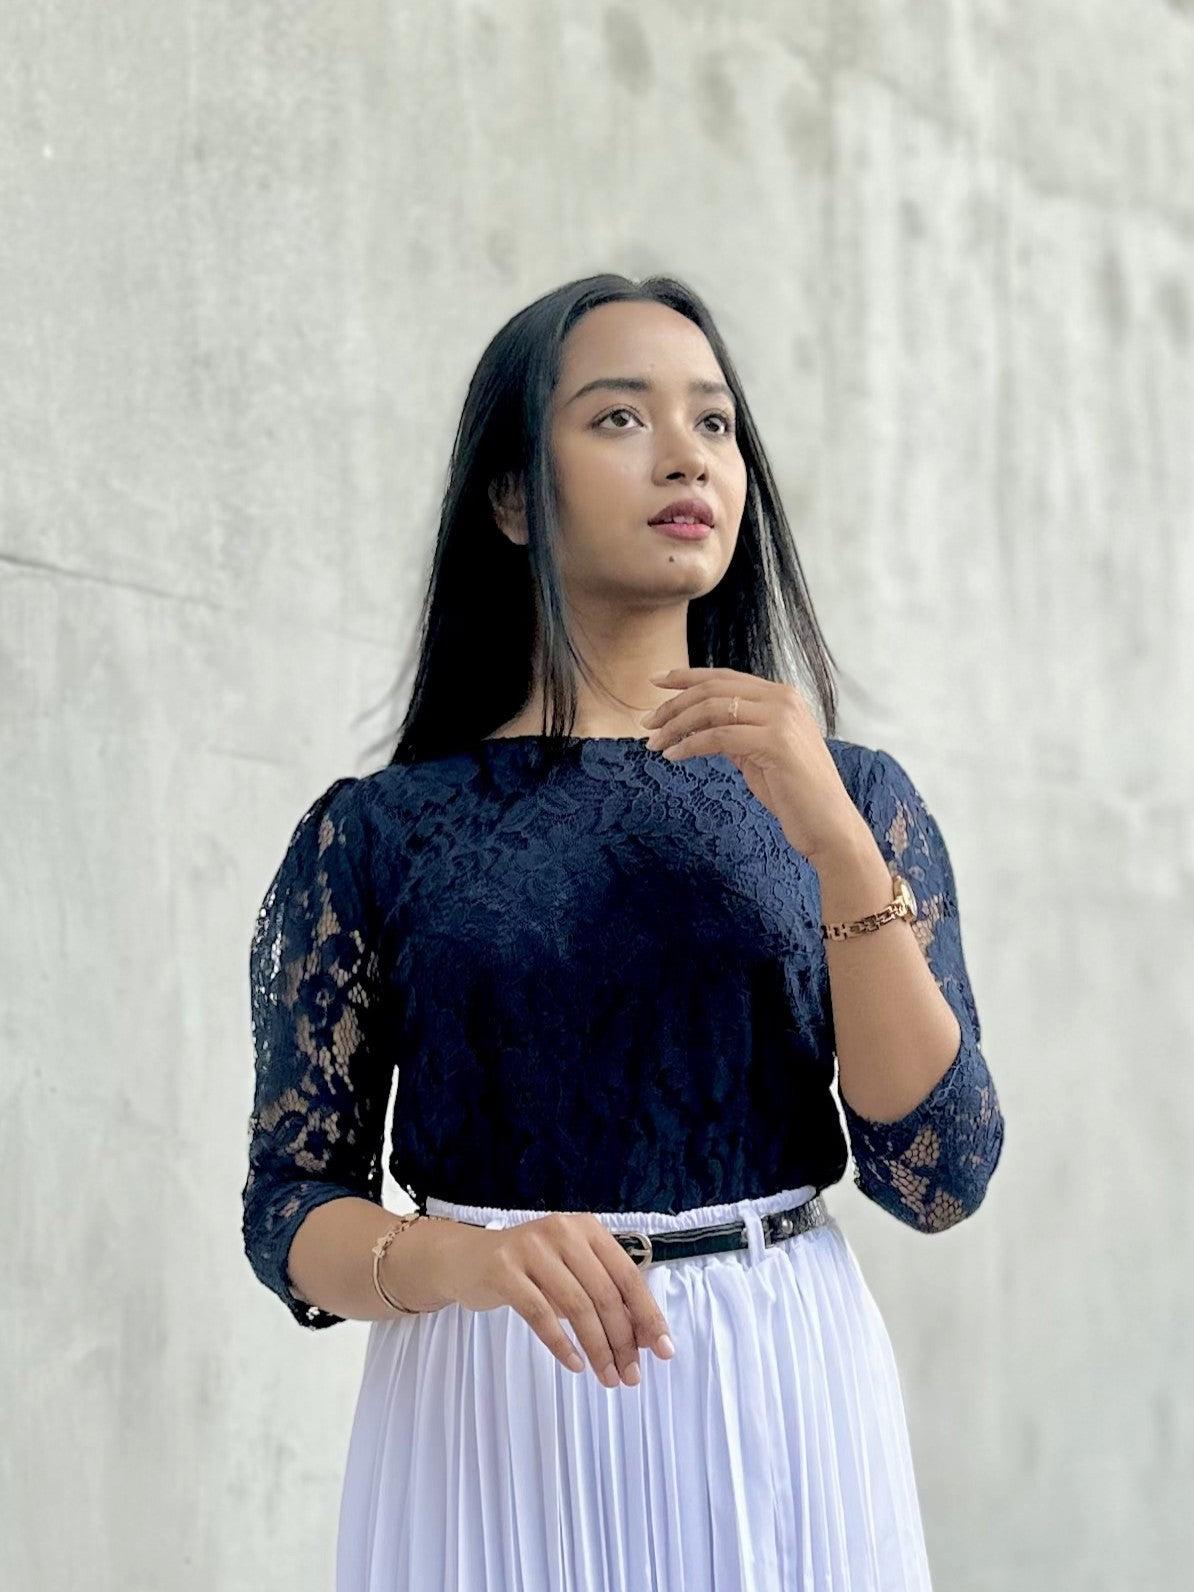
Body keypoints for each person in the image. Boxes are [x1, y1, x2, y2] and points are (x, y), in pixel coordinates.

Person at [241, 273, 1004, 1591]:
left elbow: (935, 1176)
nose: (683, 454)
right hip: (491, 1394)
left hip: (781, 1377)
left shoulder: (852, 797)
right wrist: (464, 1264)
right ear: (512, 500)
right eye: (617, 418)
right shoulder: (379, 834)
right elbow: (288, 1205)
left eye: (713, 423)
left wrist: (830, 840)